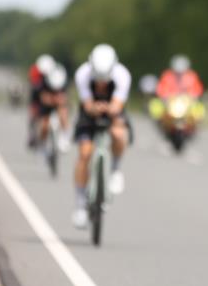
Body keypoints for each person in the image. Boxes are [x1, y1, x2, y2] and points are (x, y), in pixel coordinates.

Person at [71, 44, 132, 229]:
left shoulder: (122, 75)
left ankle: (115, 170)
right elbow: (88, 104)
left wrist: (108, 108)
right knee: (84, 153)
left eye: (104, 80)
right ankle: (81, 204)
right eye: (98, 79)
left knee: (118, 133)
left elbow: (117, 105)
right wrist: (94, 108)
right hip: (89, 113)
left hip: (113, 111)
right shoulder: (82, 74)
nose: (101, 84)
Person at [34, 63, 71, 153]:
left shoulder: (64, 82)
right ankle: (42, 143)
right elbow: (42, 98)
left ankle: (64, 137)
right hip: (46, 107)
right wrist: (52, 99)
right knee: (44, 126)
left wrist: (58, 100)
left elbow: (65, 98)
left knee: (64, 113)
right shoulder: (43, 82)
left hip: (59, 106)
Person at [28, 54, 56, 147]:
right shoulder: (35, 72)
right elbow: (35, 88)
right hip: (37, 94)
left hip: (50, 93)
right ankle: (32, 134)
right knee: (33, 113)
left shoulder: (54, 73)